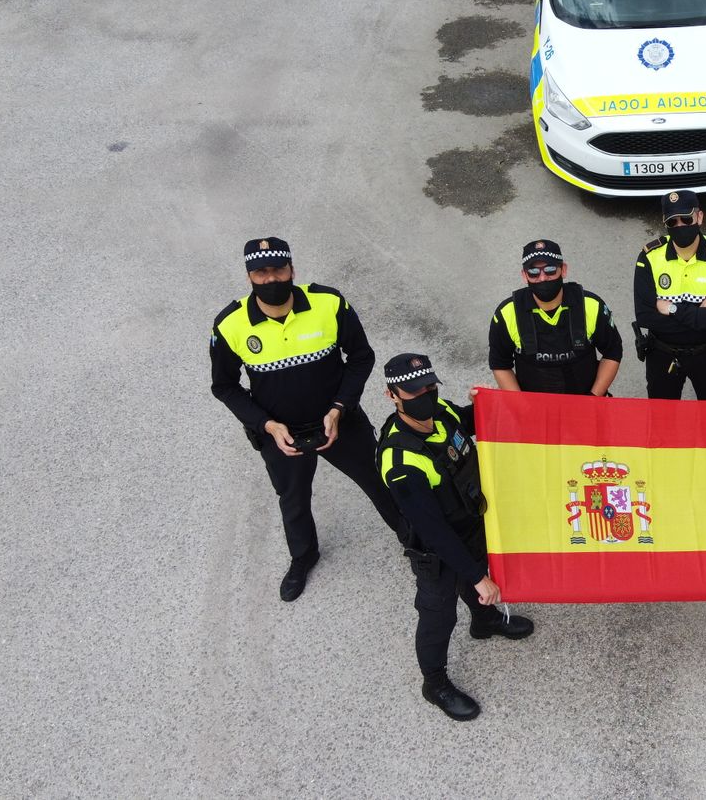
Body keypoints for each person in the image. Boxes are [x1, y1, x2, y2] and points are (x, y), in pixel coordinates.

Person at [210, 237, 407, 601]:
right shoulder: (230, 324)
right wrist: (266, 425)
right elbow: (224, 386)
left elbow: (361, 357)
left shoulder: (328, 303)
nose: (271, 279)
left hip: (340, 421)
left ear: (292, 269)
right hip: (281, 434)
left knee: (380, 480)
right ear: (249, 276)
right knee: (293, 500)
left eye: (278, 270)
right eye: (261, 273)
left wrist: (339, 407)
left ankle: (414, 539)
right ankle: (303, 556)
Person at [376, 353, 534, 720]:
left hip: (470, 521)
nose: (425, 396)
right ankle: (435, 684)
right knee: (439, 615)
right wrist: (478, 578)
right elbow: (433, 531)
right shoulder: (401, 462)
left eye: (429, 387)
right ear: (392, 396)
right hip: (437, 548)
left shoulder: (441, 411)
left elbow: (467, 421)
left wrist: (484, 403)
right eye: (414, 391)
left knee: (476, 573)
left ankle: (484, 621)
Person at [631, 190, 706, 400]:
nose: (680, 226)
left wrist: (671, 309)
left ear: (699, 217)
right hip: (662, 355)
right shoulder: (649, 256)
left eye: (686, 219)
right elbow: (645, 316)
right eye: (672, 222)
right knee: (662, 417)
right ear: (665, 223)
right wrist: (700, 314)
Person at [489, 239, 624, 396]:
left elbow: (613, 351)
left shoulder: (592, 305)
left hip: (587, 402)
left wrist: (593, 397)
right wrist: (521, 405)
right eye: (533, 272)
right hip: (533, 407)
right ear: (524, 275)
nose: (542, 278)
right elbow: (500, 364)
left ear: (563, 270)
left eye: (550, 269)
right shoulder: (506, 314)